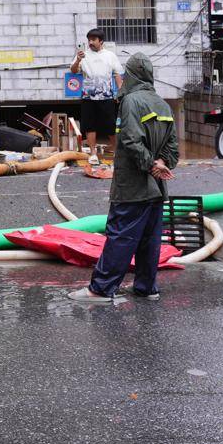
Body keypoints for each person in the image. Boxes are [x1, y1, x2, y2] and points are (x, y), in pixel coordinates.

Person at [70, 53, 179, 305]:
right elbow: (173, 148)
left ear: (131, 76)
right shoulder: (162, 104)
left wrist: (150, 164)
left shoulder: (130, 101)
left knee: (121, 236)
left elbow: (130, 140)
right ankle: (146, 287)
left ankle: (101, 289)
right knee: (149, 241)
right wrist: (162, 164)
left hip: (133, 186)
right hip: (157, 188)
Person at [71, 29, 122, 178]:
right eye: (89, 40)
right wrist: (78, 60)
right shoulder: (83, 55)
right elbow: (74, 71)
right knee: (90, 125)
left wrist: (120, 91)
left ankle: (118, 152)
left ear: (101, 41)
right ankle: (93, 153)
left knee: (111, 126)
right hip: (88, 96)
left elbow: (117, 74)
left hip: (106, 96)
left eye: (94, 39)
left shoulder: (110, 55)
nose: (91, 42)